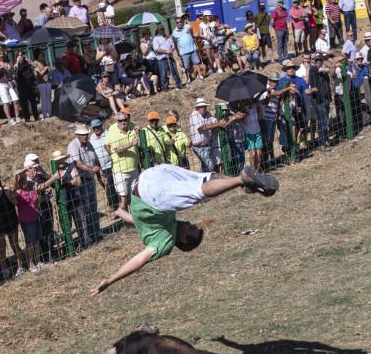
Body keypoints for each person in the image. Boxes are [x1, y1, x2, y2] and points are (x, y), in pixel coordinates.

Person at [91, 164, 278, 295]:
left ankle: (240, 181)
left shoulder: (164, 244)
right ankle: (242, 183)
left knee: (198, 191)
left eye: (192, 229)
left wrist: (110, 280)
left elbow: (139, 259)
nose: (190, 223)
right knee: (202, 179)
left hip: (151, 186)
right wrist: (122, 213)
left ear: (183, 241)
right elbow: (137, 220)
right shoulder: (167, 222)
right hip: (150, 182)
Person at [67, 125, 104, 247]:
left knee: (93, 207)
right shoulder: (73, 146)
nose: (86, 136)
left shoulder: (89, 144)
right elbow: (77, 163)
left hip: (90, 179)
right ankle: (86, 239)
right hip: (80, 181)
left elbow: (96, 158)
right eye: (83, 134)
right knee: (83, 210)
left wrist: (100, 172)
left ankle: (96, 233)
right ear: (77, 135)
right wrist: (92, 169)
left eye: (87, 134)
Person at [104, 110, 141, 213]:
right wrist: (131, 144)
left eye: (125, 120)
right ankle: (123, 216)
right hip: (121, 170)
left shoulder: (132, 126)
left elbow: (139, 139)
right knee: (123, 198)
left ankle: (134, 216)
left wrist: (140, 130)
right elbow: (118, 150)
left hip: (134, 167)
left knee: (135, 195)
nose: (123, 122)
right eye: (120, 121)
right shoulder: (113, 131)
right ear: (117, 121)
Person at [189, 98, 224, 174]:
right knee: (210, 167)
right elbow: (202, 128)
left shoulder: (207, 114)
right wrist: (218, 124)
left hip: (207, 145)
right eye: (201, 106)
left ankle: (202, 182)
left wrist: (220, 122)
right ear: (197, 108)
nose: (204, 108)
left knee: (205, 167)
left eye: (204, 106)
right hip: (199, 146)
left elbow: (214, 121)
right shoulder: (194, 115)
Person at [173, 15, 204, 81]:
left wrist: (189, 30)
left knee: (196, 63)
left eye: (180, 21)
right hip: (183, 51)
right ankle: (189, 78)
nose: (179, 23)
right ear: (176, 23)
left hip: (192, 48)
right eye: (177, 22)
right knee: (187, 66)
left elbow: (191, 29)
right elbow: (175, 43)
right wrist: (178, 52)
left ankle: (200, 75)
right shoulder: (174, 32)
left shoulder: (187, 26)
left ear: (182, 21)